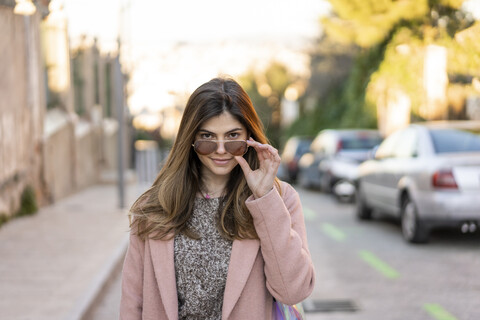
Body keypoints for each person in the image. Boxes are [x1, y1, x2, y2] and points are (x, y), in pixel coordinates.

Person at [120, 77, 315, 319]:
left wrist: (264, 197)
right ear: (190, 139)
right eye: (207, 137)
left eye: (233, 136)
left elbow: (293, 291)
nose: (221, 149)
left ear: (249, 138)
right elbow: (132, 302)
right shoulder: (155, 206)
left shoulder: (280, 199)